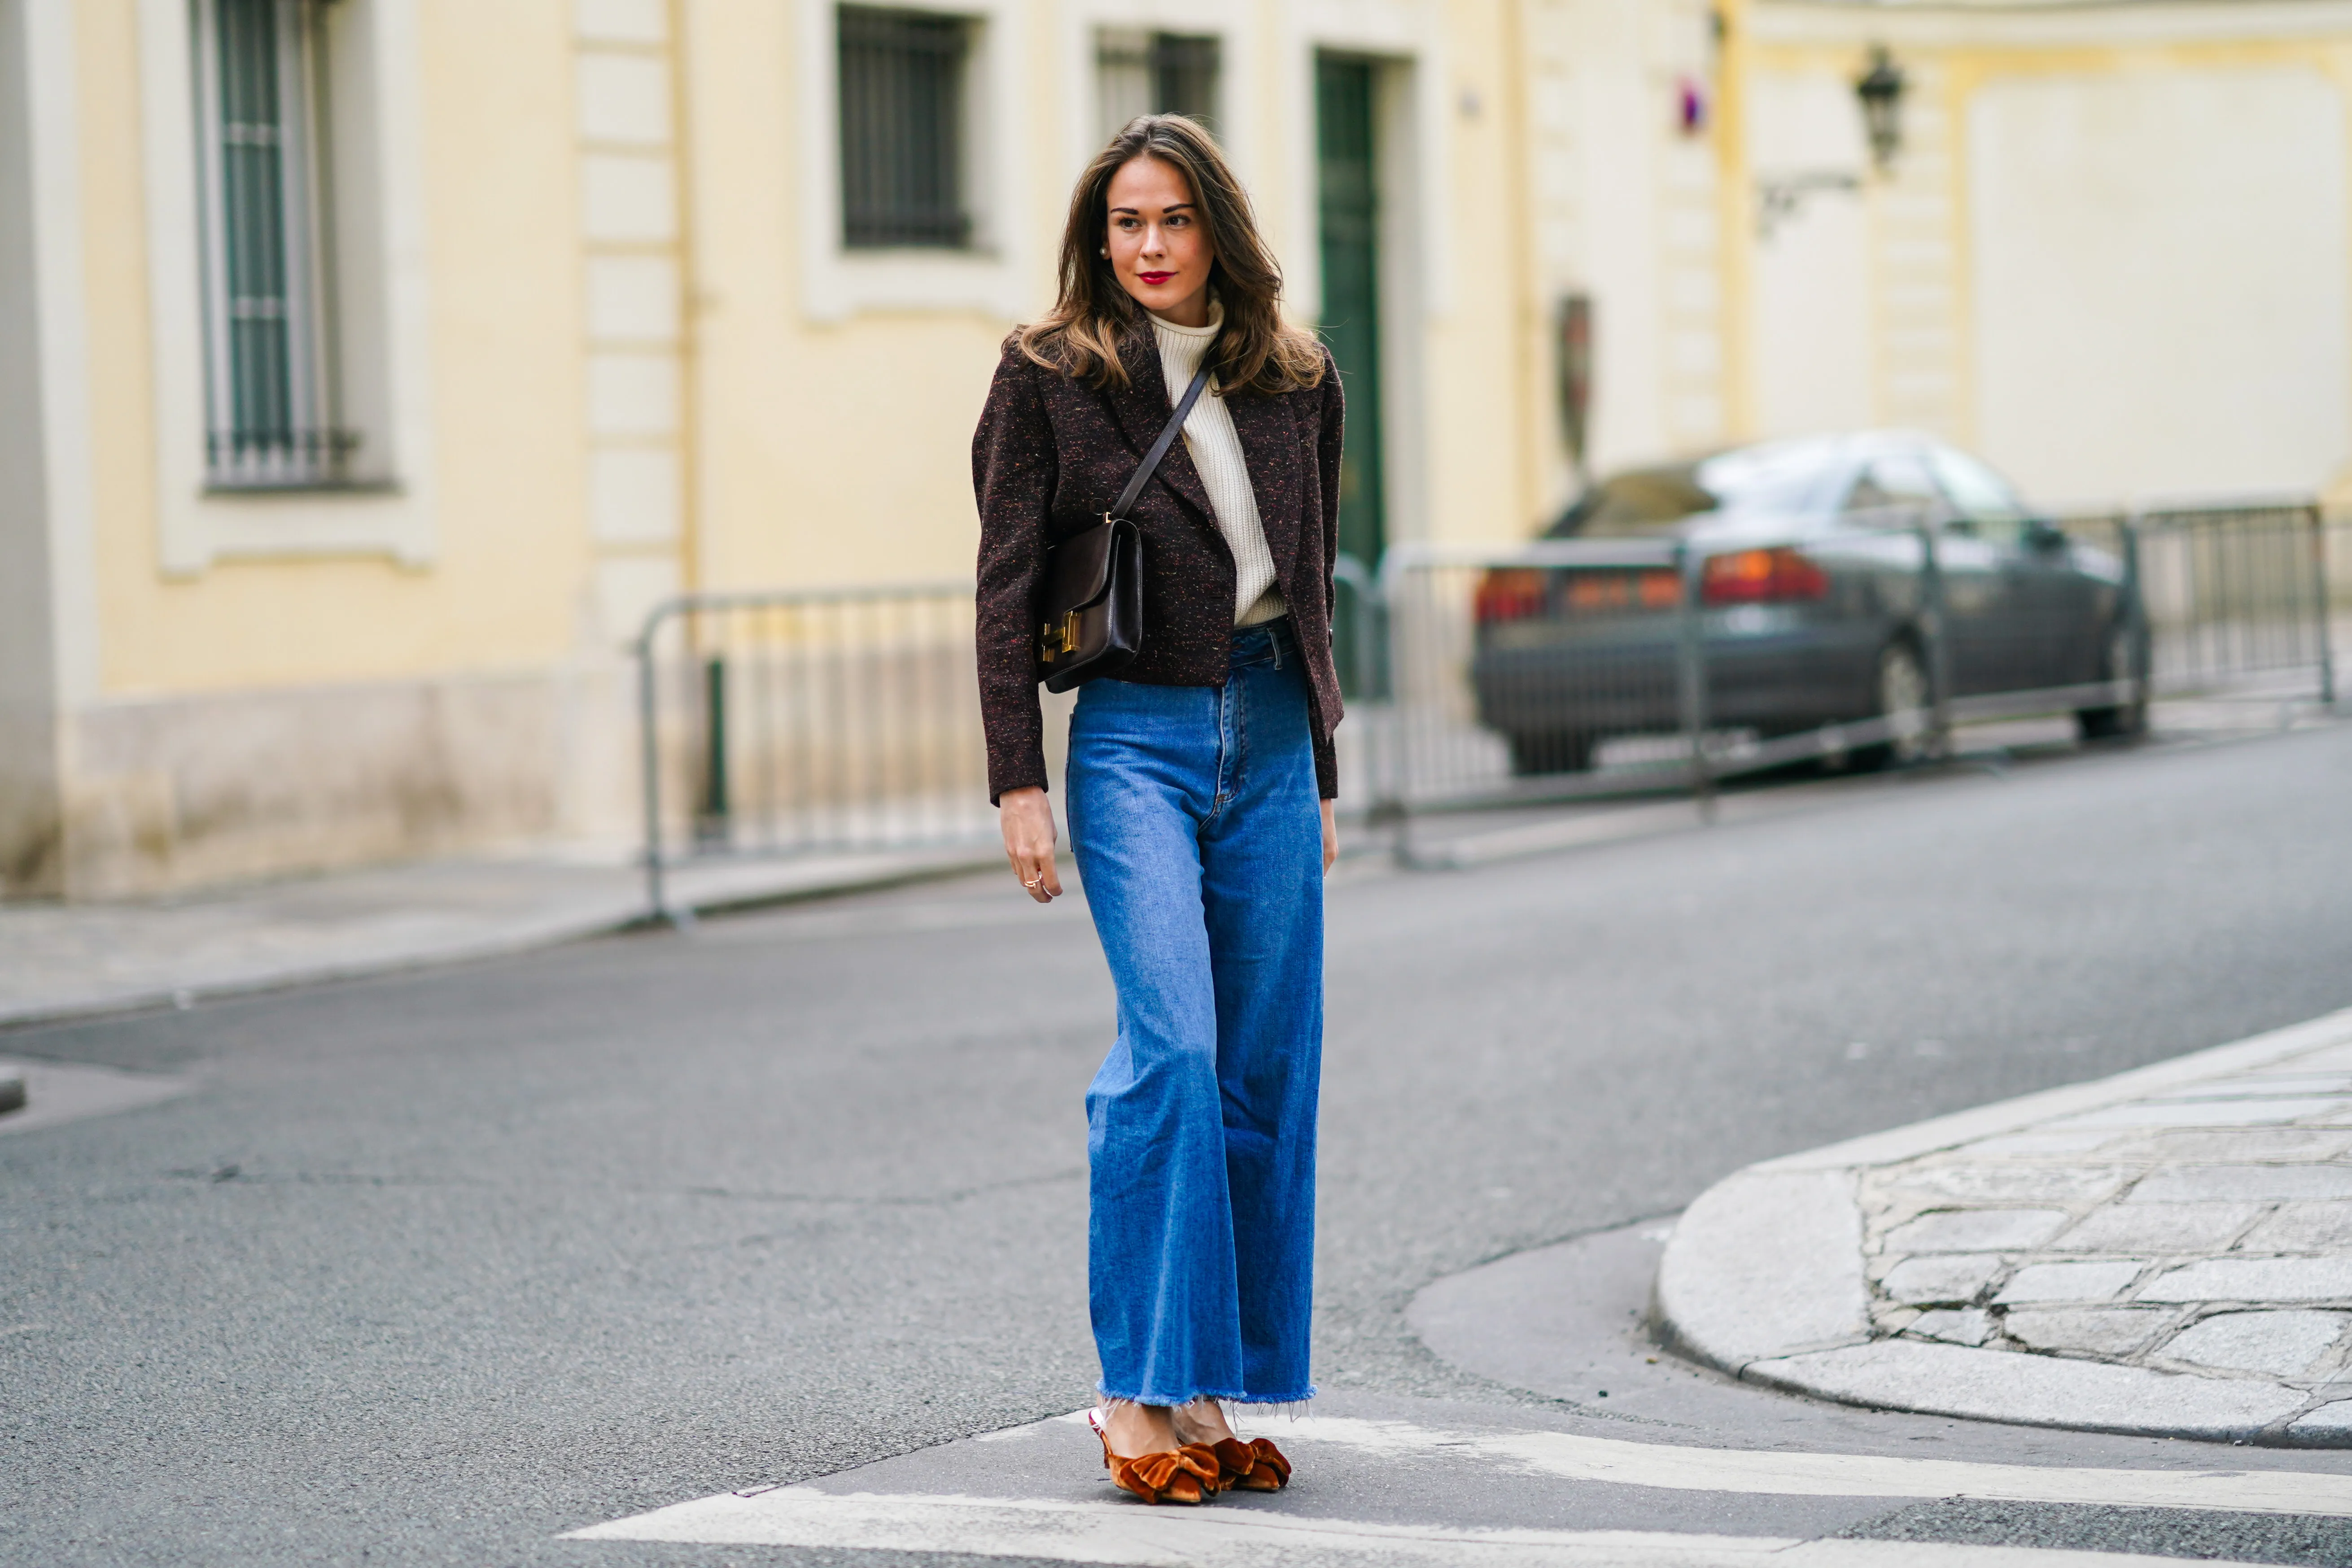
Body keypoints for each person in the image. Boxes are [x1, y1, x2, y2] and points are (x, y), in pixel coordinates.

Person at [971, 114, 1345, 1506]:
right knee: (1173, 1052)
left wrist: (1315, 773)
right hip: (1132, 739)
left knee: (1262, 1069)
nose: (1148, 247)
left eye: (1173, 220)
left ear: (1219, 235)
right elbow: (1007, 583)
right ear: (1097, 235)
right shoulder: (1051, 377)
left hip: (1267, 722)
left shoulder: (1299, 381)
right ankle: (1134, 1388)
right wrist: (1020, 777)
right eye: (1126, 222)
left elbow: (1309, 582)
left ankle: (1205, 1382)